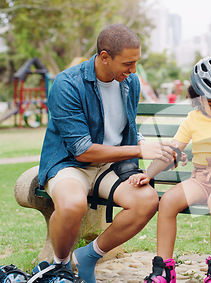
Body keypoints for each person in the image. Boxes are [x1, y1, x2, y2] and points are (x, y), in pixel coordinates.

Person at [36, 24, 177, 283]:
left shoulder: (129, 82)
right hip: (70, 164)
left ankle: (88, 255)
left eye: (136, 62)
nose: (133, 70)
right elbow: (82, 151)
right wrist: (138, 149)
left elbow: (126, 127)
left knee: (146, 201)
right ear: (104, 57)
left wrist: (160, 150)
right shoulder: (67, 84)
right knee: (72, 204)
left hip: (110, 166)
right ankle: (61, 267)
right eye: (128, 63)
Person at [133, 57, 211, 283]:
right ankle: (163, 268)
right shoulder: (192, 119)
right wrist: (148, 174)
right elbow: (172, 150)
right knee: (168, 202)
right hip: (200, 178)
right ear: (198, 99)